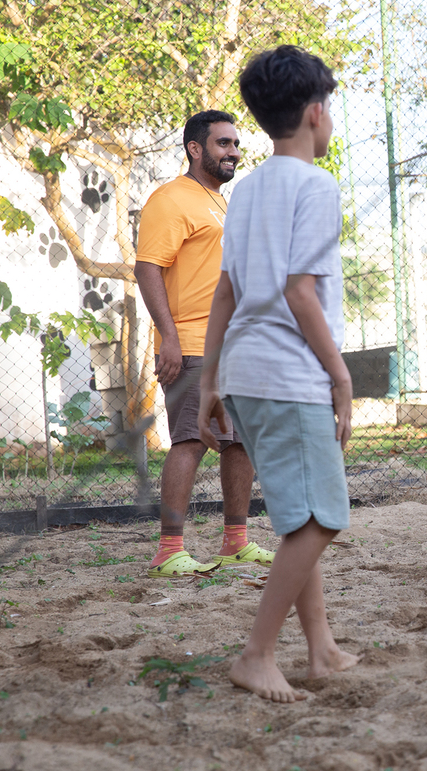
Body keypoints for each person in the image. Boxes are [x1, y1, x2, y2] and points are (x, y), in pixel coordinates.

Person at [197, 44, 360, 702]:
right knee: (325, 517)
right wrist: (341, 378)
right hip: (289, 374)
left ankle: (320, 648)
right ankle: (257, 653)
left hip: (244, 370)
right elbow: (299, 293)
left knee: (298, 517)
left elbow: (226, 295)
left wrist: (211, 383)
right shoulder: (317, 185)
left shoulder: (249, 188)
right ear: (317, 113)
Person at [135, 109, 274, 578]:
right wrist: (169, 338)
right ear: (195, 148)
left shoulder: (217, 202)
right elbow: (148, 268)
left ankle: (235, 542)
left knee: (240, 443)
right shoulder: (171, 200)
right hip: (191, 344)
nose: (234, 152)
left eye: (236, 144)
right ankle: (168, 549)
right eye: (223, 144)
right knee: (191, 440)